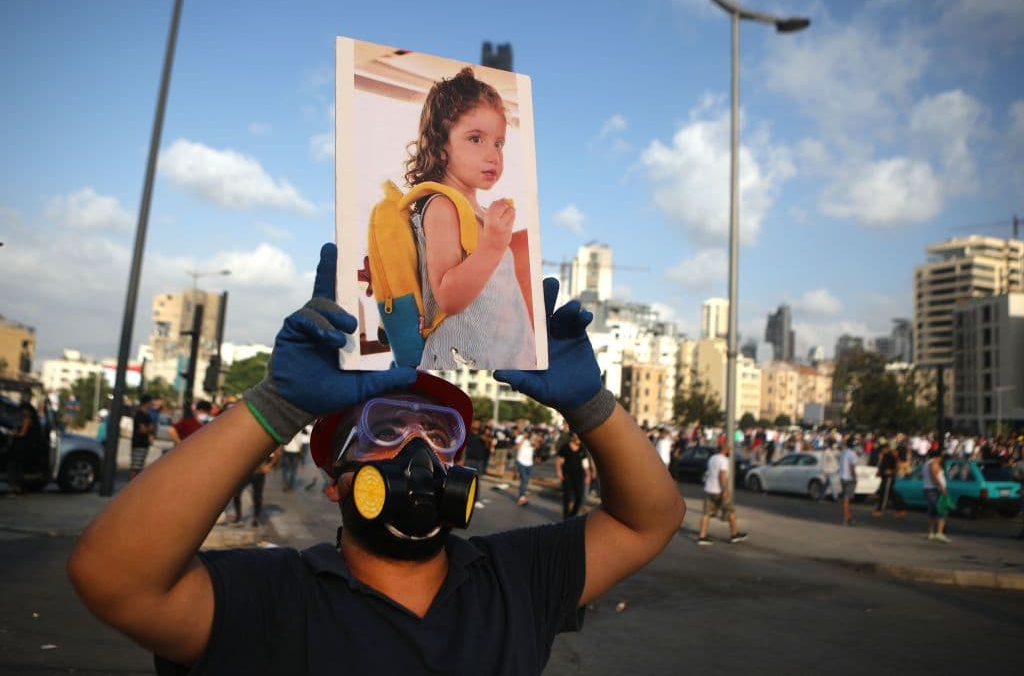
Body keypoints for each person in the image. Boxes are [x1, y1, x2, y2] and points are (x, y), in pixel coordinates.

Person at [66, 243, 685, 674]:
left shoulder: (515, 580)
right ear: (336, 480)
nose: (418, 447)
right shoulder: (277, 597)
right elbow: (114, 579)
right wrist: (275, 406)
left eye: (440, 431)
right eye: (386, 425)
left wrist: (593, 406)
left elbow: (649, 520)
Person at [406, 67, 536, 370]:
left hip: (501, 357)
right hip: (459, 362)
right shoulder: (443, 206)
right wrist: (492, 245)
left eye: (498, 143)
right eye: (476, 139)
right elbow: (447, 297)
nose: (493, 154)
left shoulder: (478, 211)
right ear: (439, 148)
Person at [696, 439, 747, 546]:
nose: (730, 449)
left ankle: (702, 536)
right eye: (728, 447)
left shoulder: (712, 458)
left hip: (709, 489)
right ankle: (734, 534)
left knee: (706, 514)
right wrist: (725, 490)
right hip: (719, 490)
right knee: (731, 512)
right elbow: (722, 476)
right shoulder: (724, 460)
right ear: (725, 449)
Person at [230, 447, 281, 527]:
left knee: (257, 496)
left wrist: (269, 465)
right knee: (236, 494)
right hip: (245, 473)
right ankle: (238, 516)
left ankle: (256, 518)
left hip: (259, 473)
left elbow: (277, 452)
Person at [6, 402, 41, 495]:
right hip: (21, 446)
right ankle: (16, 487)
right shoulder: (25, 419)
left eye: (24, 410)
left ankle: (15, 487)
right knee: (17, 467)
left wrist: (12, 434)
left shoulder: (27, 420)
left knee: (15, 467)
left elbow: (22, 434)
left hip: (20, 446)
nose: (22, 411)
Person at [556, 432, 590, 519]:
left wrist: (588, 475)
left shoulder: (582, 449)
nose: (578, 439)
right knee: (567, 496)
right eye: (576, 436)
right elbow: (559, 460)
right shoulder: (565, 448)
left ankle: (573, 514)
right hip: (567, 475)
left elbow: (585, 463)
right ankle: (566, 517)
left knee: (579, 496)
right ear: (572, 437)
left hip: (579, 475)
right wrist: (559, 471)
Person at [923, 449, 951, 543]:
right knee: (942, 510)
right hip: (934, 490)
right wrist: (941, 488)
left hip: (929, 489)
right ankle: (939, 532)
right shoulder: (933, 464)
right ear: (937, 457)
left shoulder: (927, 463)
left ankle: (931, 533)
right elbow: (934, 477)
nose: (941, 460)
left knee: (932, 512)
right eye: (941, 458)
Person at [872, 441, 906, 518]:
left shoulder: (891, 456)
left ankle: (880, 510)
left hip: (889, 478)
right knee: (891, 494)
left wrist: (892, 471)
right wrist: (880, 472)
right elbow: (882, 466)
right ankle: (900, 509)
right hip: (885, 477)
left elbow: (897, 466)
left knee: (885, 494)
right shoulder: (885, 455)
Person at [130, 395, 156, 480]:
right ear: (146, 403)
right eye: (151, 402)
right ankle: (131, 487)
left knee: (139, 466)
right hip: (139, 443)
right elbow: (143, 429)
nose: (152, 404)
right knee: (135, 467)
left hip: (143, 443)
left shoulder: (146, 415)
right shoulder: (140, 414)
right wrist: (150, 428)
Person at [514, 425, 535, 506]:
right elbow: (517, 447)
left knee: (525, 481)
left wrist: (533, 439)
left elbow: (535, 446)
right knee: (524, 480)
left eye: (530, 432)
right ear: (525, 432)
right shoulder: (520, 437)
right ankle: (522, 497)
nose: (528, 434)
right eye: (527, 432)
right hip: (521, 461)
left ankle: (522, 496)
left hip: (529, 462)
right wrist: (524, 438)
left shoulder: (532, 438)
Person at [838, 439, 858, 526]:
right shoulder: (852, 453)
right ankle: (846, 519)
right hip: (849, 478)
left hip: (842, 477)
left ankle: (849, 518)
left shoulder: (843, 452)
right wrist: (854, 477)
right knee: (846, 500)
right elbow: (852, 466)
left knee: (847, 500)